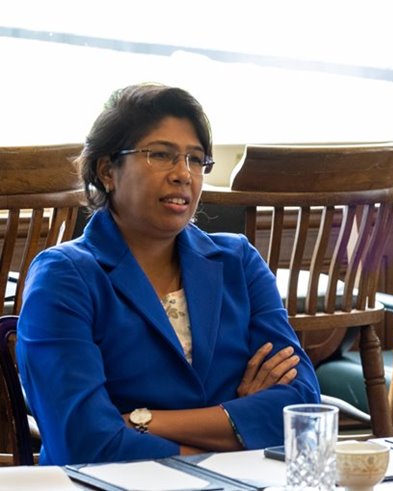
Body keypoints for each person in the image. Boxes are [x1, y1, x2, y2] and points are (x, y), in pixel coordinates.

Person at [16, 83, 320, 465]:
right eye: (161, 154)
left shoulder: (238, 261)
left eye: (196, 159)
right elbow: (84, 441)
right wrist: (237, 428)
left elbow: (301, 409)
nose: (183, 174)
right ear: (108, 170)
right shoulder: (63, 277)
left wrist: (142, 422)